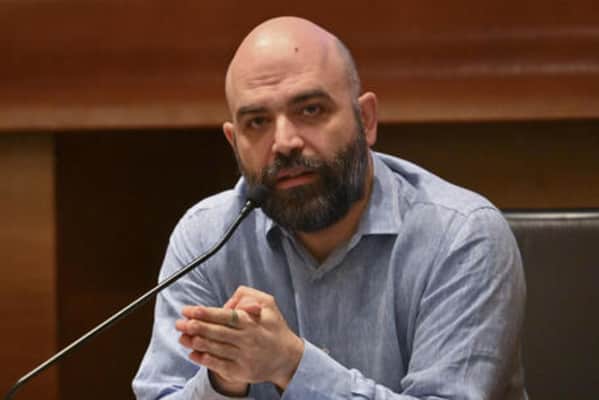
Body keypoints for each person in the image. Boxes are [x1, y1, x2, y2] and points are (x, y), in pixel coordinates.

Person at [133, 16, 527, 400]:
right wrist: (222, 382)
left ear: (365, 120)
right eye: (257, 122)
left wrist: (291, 365)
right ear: (234, 143)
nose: (284, 142)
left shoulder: (461, 236)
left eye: (310, 110)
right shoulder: (207, 239)